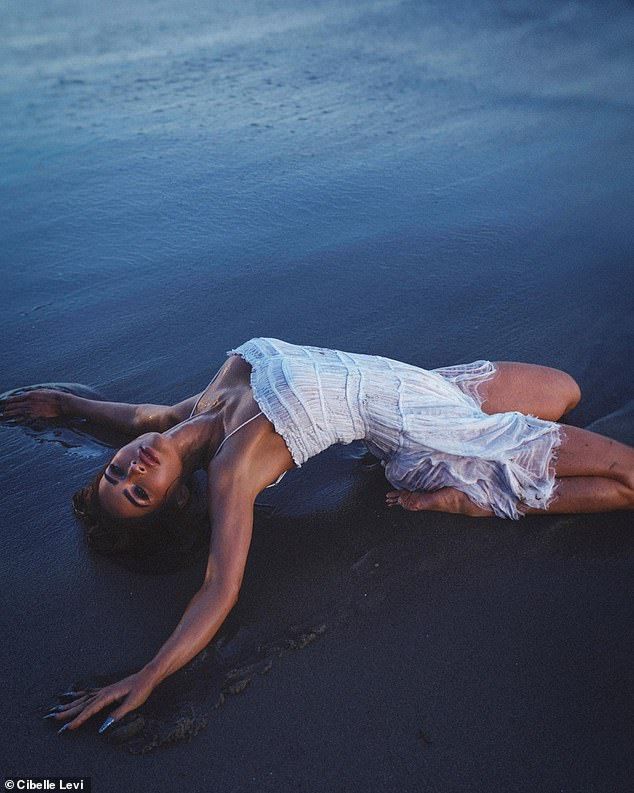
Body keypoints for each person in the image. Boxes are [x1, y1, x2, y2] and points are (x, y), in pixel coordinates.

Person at [3, 337, 632, 736]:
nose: (131, 468)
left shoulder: (196, 410)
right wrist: (148, 675)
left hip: (424, 384)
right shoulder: (231, 471)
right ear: (180, 497)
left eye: (116, 471)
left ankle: (477, 485)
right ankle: (473, 502)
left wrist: (65, 402)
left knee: (566, 390)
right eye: (138, 492)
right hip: (436, 435)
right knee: (628, 478)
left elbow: (142, 420)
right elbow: (220, 587)